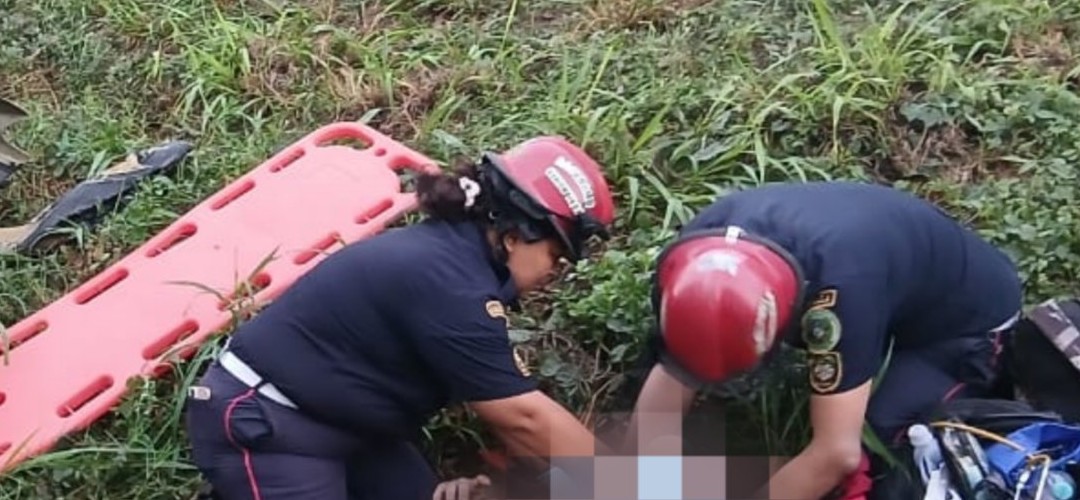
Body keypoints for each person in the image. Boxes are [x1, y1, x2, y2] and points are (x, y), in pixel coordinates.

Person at [182, 135, 616, 500]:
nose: (554, 273)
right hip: (270, 423)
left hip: (353, 428)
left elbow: (521, 423)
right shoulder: (450, 282)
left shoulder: (456, 263)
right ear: (516, 234)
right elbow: (523, 417)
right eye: (555, 256)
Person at [622, 180, 1023, 499]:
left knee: (881, 448)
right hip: (884, 278)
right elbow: (676, 371)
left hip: (960, 324)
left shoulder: (839, 291)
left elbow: (836, 454)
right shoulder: (689, 261)